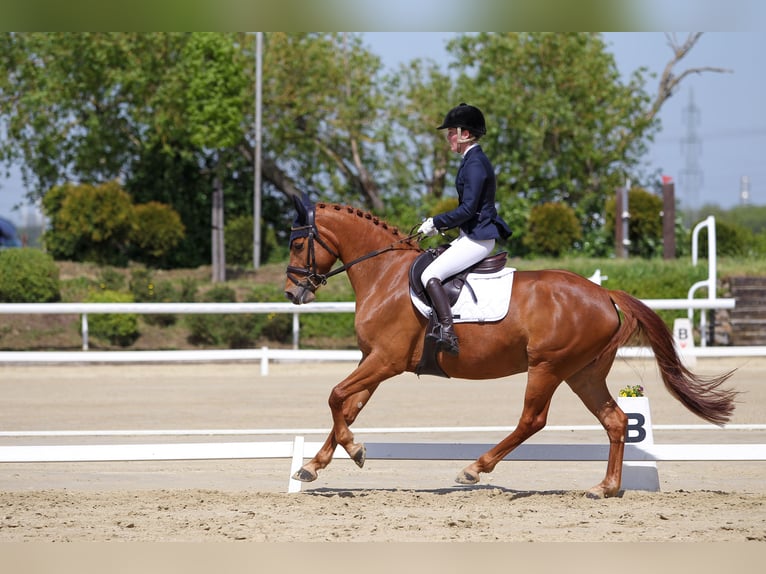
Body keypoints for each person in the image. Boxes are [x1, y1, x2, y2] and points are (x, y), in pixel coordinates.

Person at [417, 103, 512, 356]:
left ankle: (447, 332)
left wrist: (437, 222)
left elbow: (468, 209)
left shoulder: (475, 164)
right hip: (470, 234)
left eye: (451, 132)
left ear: (465, 134)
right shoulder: (471, 160)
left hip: (478, 238)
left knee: (430, 275)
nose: (448, 137)